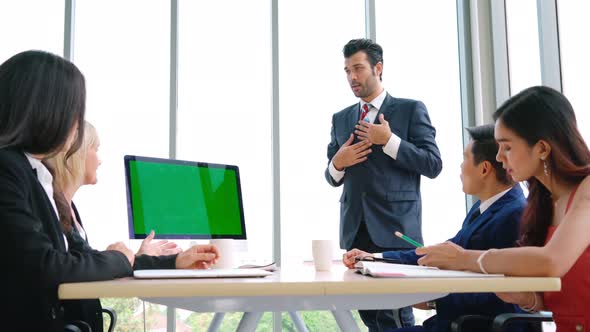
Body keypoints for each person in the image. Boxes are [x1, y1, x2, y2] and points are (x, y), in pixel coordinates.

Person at [0, 50, 219, 331]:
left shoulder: (36, 174)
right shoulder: (8, 168)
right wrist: (118, 258)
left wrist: (174, 260)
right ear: (45, 110)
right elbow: (44, 266)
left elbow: (80, 260)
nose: (76, 125)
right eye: (73, 112)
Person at [416, 86, 590, 331]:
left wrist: (466, 259)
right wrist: (527, 298)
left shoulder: (587, 189)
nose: (498, 157)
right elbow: (561, 296)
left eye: (507, 147)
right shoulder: (542, 204)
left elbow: (552, 262)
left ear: (542, 148)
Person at [344, 124, 530, 332]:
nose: (460, 167)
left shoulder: (513, 216)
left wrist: (432, 299)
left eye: (465, 158)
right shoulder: (484, 208)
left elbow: (504, 295)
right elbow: (436, 255)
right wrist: (375, 258)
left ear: (485, 168)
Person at [325, 38, 443, 330]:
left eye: (358, 68)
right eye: (347, 71)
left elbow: (433, 164)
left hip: (395, 232)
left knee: (394, 316)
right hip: (356, 231)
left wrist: (388, 141)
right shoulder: (341, 118)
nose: (352, 77)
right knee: (370, 317)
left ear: (378, 68)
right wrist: (340, 161)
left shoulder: (411, 109)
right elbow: (330, 175)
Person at [44, 121, 181, 256]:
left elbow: (84, 261)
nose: (100, 160)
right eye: (96, 149)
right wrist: (120, 257)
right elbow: (76, 264)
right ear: (78, 153)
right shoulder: (51, 206)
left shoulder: (69, 207)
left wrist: (135, 257)